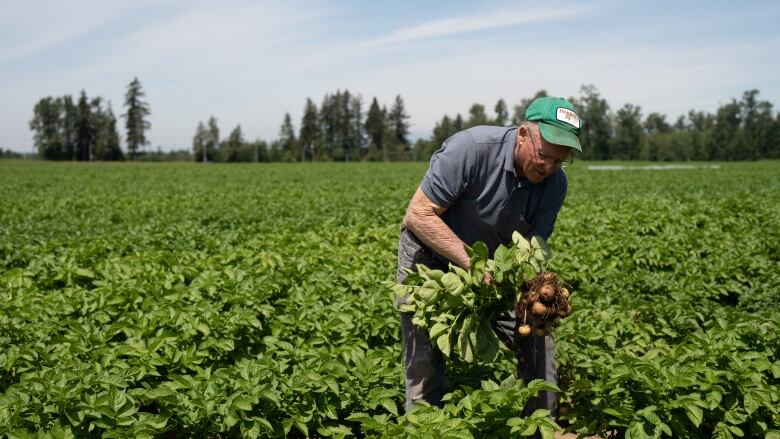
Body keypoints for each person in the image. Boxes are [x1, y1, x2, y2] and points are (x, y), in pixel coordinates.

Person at [396, 96, 582, 415]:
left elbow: (531, 248)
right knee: (424, 355)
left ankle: (538, 425)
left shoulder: (554, 185)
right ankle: (425, 425)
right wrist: (474, 265)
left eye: (559, 161)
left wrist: (540, 294)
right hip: (430, 254)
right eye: (544, 155)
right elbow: (419, 215)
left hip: (493, 268)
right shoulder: (471, 148)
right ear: (523, 134)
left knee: (537, 338)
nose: (549, 167)